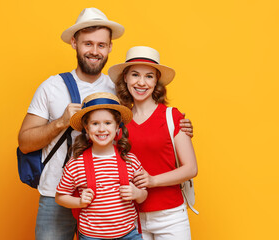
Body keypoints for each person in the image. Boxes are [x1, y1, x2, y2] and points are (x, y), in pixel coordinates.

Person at [18, 7, 192, 240]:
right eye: (88, 43)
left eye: (101, 45)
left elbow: (145, 121)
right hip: (56, 193)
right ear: (74, 42)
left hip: (108, 203)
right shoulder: (51, 87)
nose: (94, 51)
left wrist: (178, 127)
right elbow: (25, 143)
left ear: (110, 47)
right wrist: (61, 122)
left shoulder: (119, 90)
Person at [108, 46, 198, 240]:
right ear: (125, 78)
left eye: (149, 76)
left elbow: (191, 168)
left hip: (171, 216)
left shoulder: (172, 116)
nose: (141, 82)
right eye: (135, 75)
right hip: (129, 216)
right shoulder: (117, 121)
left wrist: (153, 180)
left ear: (156, 80)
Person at [55, 92, 147, 240]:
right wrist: (79, 201)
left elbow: (144, 195)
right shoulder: (75, 164)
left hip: (128, 234)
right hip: (92, 236)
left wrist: (137, 193)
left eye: (108, 123)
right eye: (95, 123)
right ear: (86, 127)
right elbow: (60, 197)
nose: (102, 129)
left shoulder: (130, 160)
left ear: (117, 125)